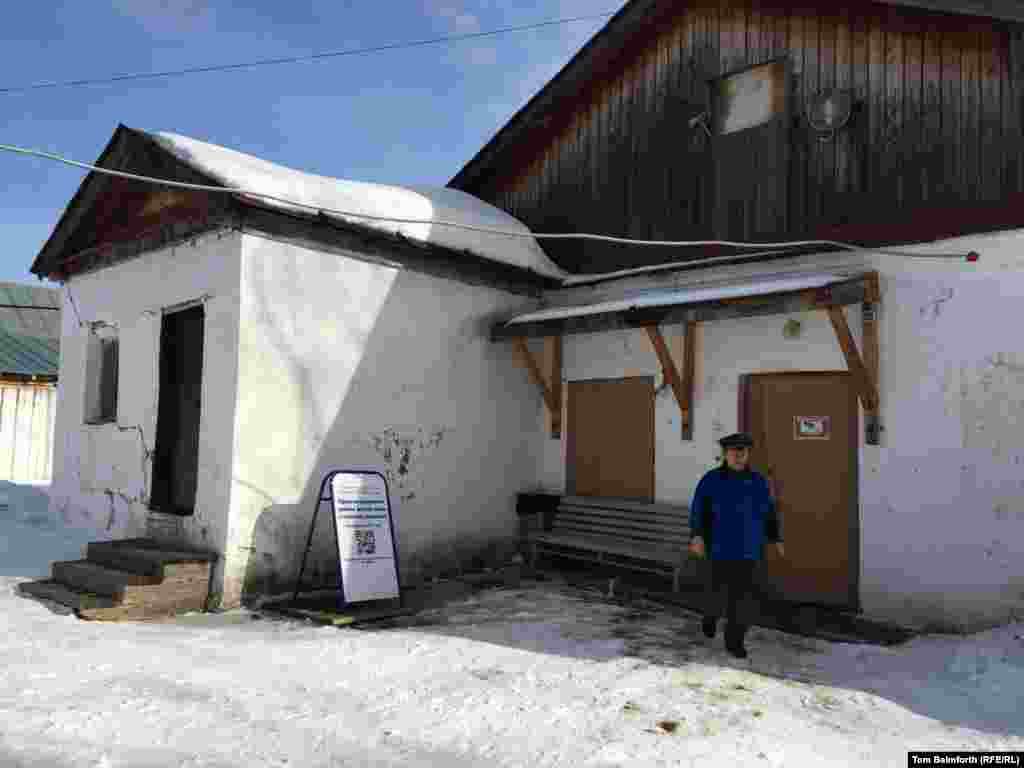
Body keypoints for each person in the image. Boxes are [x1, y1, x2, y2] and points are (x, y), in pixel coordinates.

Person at [688, 432, 784, 659]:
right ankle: (710, 615)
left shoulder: (758, 481)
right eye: (733, 452)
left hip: (749, 550)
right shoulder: (711, 480)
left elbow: (769, 512)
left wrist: (776, 537)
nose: (738, 456)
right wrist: (697, 536)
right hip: (718, 549)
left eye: (743, 452)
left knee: (742, 599)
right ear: (725, 454)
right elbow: (698, 510)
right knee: (716, 594)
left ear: (748, 454)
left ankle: (735, 641)